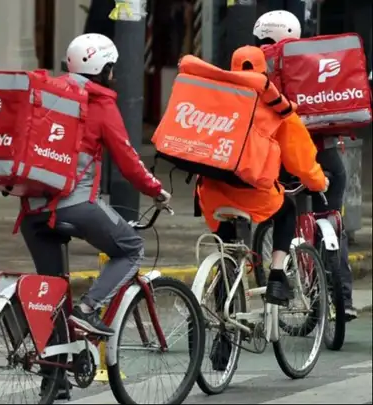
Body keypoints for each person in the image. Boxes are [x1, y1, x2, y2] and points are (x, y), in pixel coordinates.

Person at [20, 33, 171, 338]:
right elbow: (129, 161)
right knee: (131, 248)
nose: (113, 76)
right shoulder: (99, 103)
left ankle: (57, 364)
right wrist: (156, 190)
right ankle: (88, 310)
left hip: (32, 210)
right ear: (103, 69)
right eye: (111, 68)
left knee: (54, 296)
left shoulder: (47, 92)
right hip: (75, 205)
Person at [196, 46, 329, 310]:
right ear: (265, 72)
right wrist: (318, 182)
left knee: (227, 248)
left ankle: (221, 306)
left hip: (210, 192)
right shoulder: (276, 108)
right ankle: (277, 275)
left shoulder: (213, 98)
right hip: (253, 193)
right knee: (287, 210)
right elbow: (301, 160)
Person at [253, 10, 357, 320]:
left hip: (282, 158)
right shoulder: (313, 62)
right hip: (324, 156)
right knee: (332, 219)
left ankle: (285, 275)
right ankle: (343, 299)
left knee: (284, 213)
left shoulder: (258, 65)